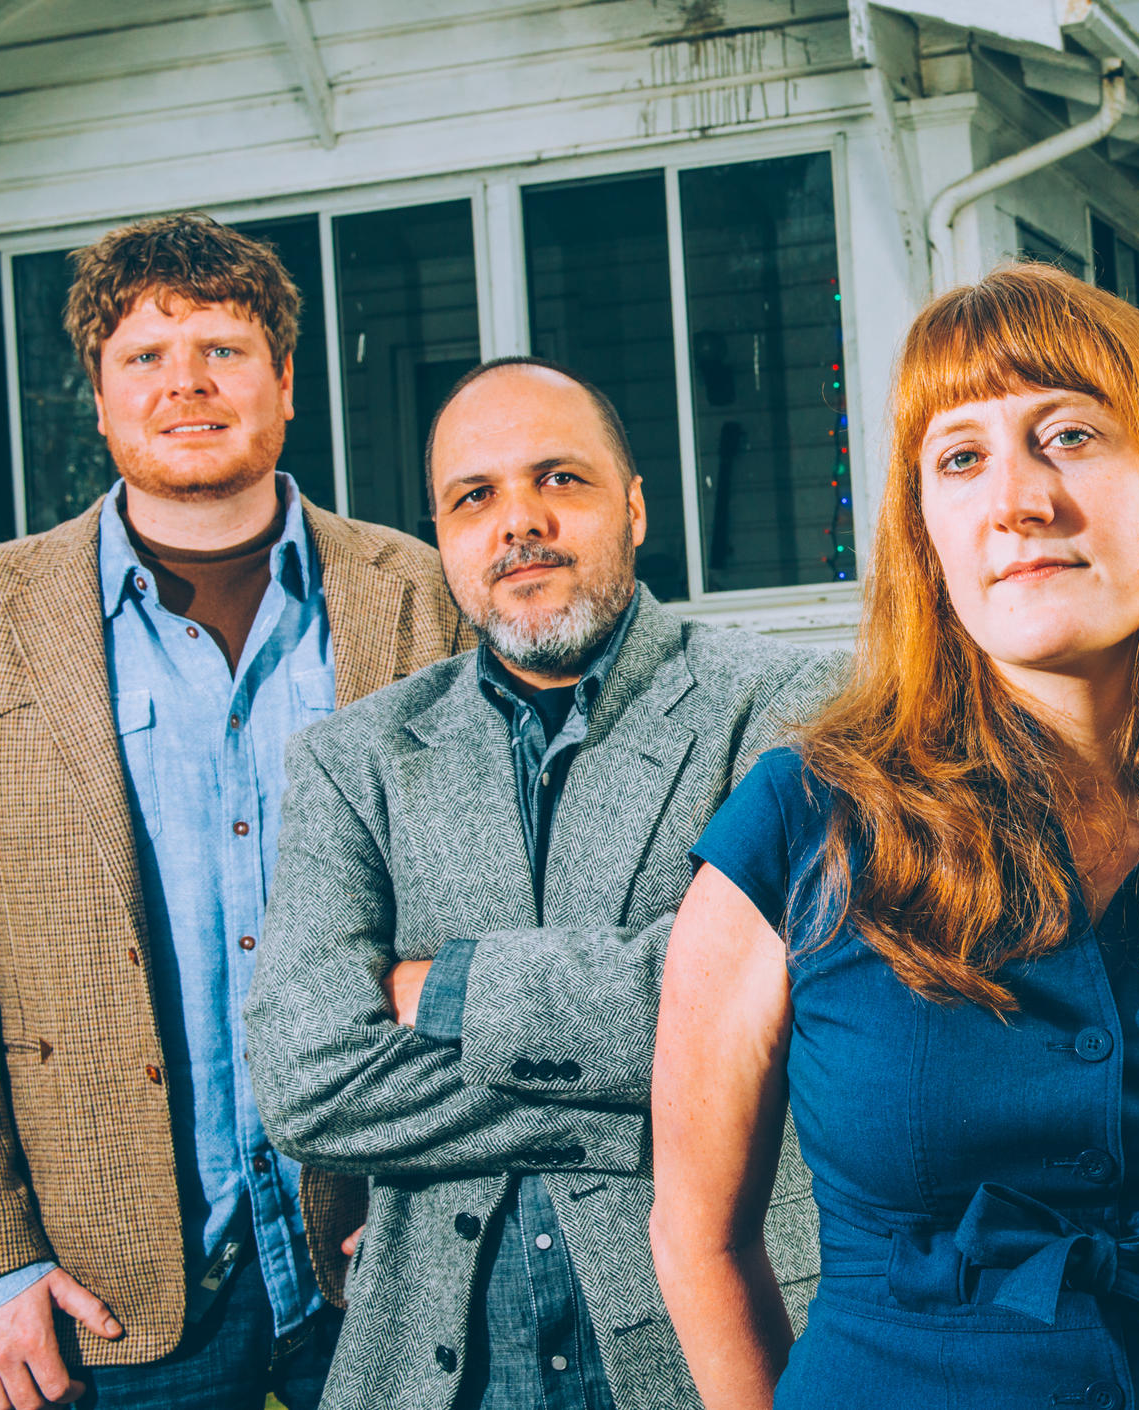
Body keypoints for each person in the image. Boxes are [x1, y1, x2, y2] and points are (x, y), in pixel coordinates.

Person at [649, 262, 1139, 1410]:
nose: (1016, 498)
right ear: (927, 535)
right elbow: (702, 1240)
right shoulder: (795, 828)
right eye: (960, 457)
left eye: (1068, 436)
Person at [0, 214, 465, 1410]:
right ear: (97, 395)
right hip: (112, 1275)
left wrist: (446, 1184)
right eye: (145, 357)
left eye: (224, 352)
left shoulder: (417, 595)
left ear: (286, 383)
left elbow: (489, 904)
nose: (185, 384)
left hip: (388, 1240)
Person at [244, 357, 838, 1410]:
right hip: (438, 1362)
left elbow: (794, 994)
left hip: (720, 1345)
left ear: (635, 506)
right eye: (475, 497)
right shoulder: (354, 761)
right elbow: (308, 1080)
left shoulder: (786, 703)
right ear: (443, 539)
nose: (518, 521)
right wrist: (652, 1100)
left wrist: (445, 992)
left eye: (560, 479)